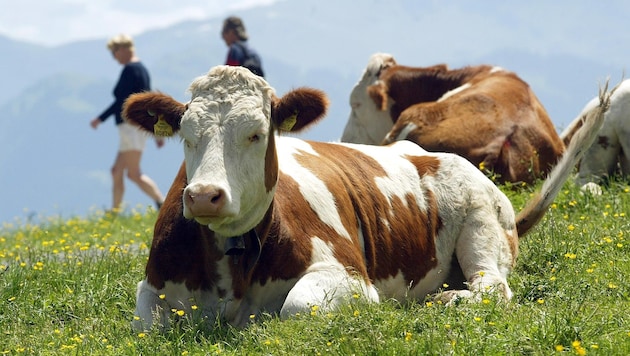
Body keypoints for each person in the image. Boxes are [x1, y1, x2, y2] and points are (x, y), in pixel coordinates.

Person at [90, 34, 164, 212]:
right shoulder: (140, 69)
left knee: (133, 174)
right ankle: (114, 211)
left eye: (114, 53)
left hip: (131, 127)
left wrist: (100, 119)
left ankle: (162, 202)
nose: (114, 57)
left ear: (123, 49)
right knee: (116, 171)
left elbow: (122, 102)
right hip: (131, 128)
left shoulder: (131, 70)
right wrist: (155, 130)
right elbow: (146, 99)